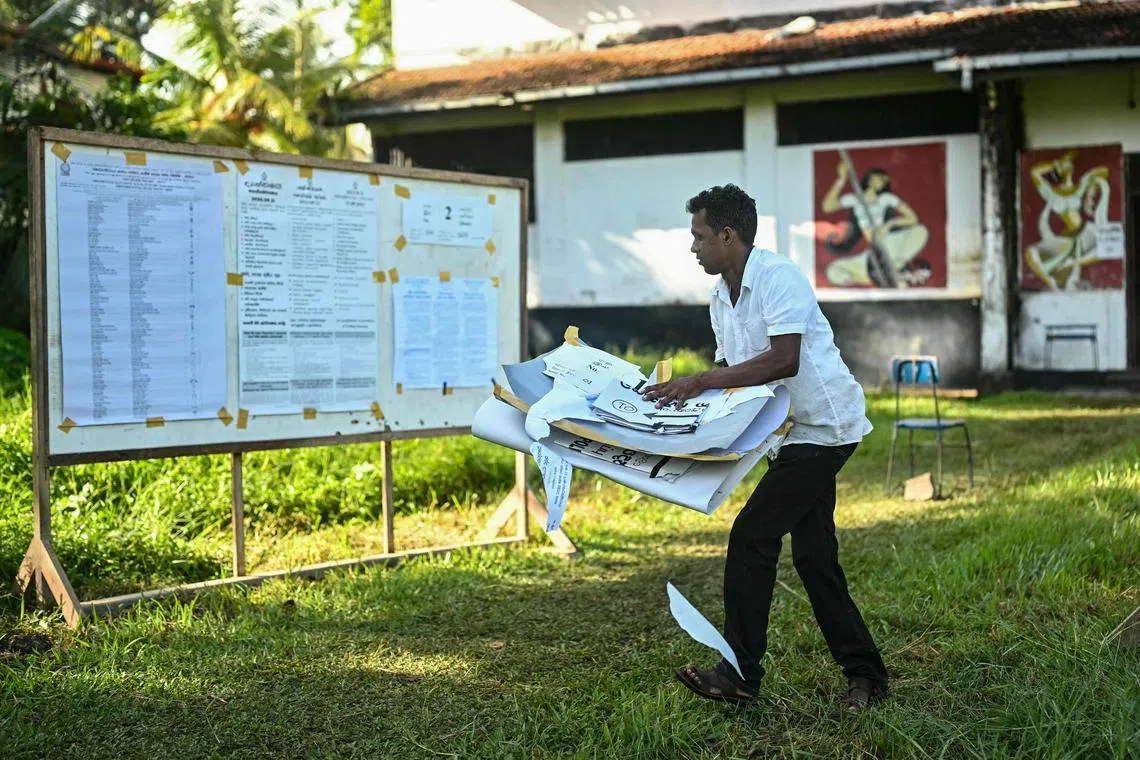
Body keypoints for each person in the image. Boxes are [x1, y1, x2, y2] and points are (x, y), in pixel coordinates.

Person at [643, 184, 889, 709]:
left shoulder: (778, 278)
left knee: (752, 535)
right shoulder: (719, 297)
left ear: (727, 235)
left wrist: (702, 381)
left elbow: (784, 360)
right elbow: (737, 376)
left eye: (699, 236)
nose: (693, 247)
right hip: (784, 434)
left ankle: (739, 675)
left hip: (824, 429)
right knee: (815, 559)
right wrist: (679, 412)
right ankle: (865, 675)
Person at [820, 162, 930, 287]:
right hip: (873, 250)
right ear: (871, 179)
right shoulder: (854, 199)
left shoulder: (886, 198)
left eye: (885, 180)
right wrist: (841, 179)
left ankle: (891, 272)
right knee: (833, 270)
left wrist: (889, 224)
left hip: (889, 242)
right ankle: (886, 275)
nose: (884, 181)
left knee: (921, 231)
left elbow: (913, 218)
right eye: (881, 178)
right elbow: (827, 207)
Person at [1024, 151, 1111, 291]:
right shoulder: (1051, 193)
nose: (1068, 164)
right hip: (1067, 238)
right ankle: (1051, 281)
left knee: (1107, 246)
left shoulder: (1081, 186)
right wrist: (1055, 164)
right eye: (1066, 162)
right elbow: (1034, 172)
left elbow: (1104, 172)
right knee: (1030, 253)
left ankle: (1072, 263)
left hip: (1084, 232)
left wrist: (1090, 185)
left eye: (1069, 162)